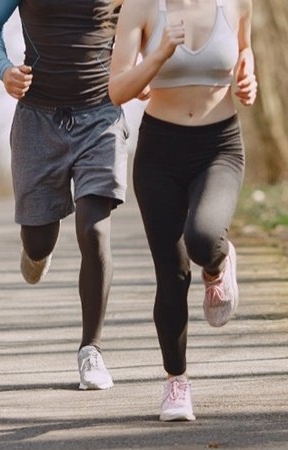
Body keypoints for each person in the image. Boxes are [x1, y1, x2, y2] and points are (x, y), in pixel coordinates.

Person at [108, 0, 257, 420]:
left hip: (220, 147)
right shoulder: (139, 8)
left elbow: (243, 51)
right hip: (158, 153)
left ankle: (218, 261)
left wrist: (248, 77)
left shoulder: (236, 3)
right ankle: (176, 384)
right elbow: (116, 89)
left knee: (204, 237)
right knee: (171, 275)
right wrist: (157, 57)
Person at [0, 0, 130, 391]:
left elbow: (151, 20)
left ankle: (91, 350)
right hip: (38, 118)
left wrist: (137, 66)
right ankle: (36, 250)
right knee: (39, 238)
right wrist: (5, 70)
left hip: (101, 115)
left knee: (93, 229)